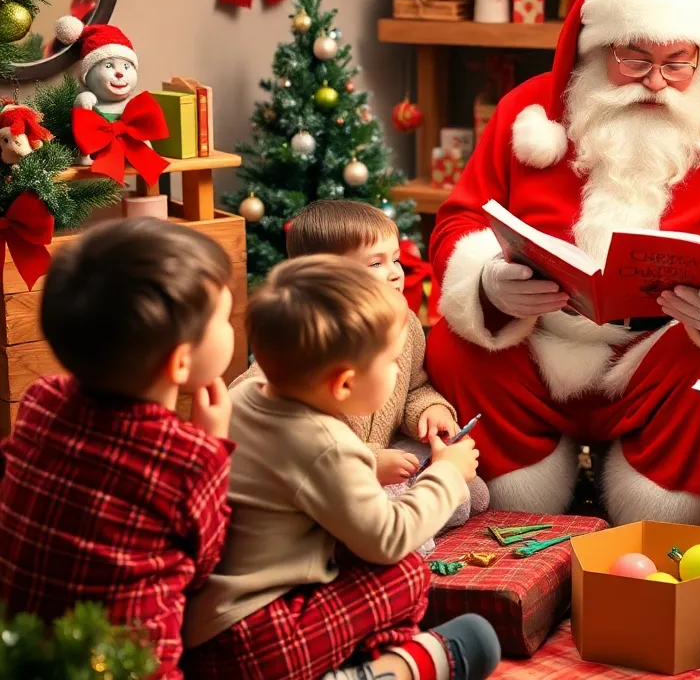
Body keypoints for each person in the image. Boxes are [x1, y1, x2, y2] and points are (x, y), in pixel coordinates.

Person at [425, 0, 700, 525]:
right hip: (536, 339)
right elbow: (458, 222)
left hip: (666, 351)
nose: (655, 81)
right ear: (599, 51)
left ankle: (660, 506)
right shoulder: (528, 111)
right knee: (453, 345)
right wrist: (489, 285)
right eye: (634, 59)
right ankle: (519, 512)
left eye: (678, 63)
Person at [184, 257, 499, 680]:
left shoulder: (244, 400)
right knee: (403, 574)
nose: (397, 371)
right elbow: (389, 538)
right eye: (390, 362)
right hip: (262, 642)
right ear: (345, 383)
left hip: (206, 630)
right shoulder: (328, 445)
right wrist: (445, 475)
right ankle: (368, 670)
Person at [0, 219, 237, 680]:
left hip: (20, 644)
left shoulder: (41, 398)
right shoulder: (192, 457)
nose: (231, 327)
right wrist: (212, 440)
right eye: (224, 320)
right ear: (181, 361)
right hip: (130, 666)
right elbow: (208, 562)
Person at [230, 200, 489, 536]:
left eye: (395, 259)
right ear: (325, 278)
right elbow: (264, 417)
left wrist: (431, 410)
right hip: (329, 468)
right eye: (376, 263)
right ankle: (416, 513)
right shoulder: (308, 342)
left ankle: (428, 494)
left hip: (385, 449)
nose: (396, 272)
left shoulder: (406, 324)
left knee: (474, 487)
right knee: (444, 496)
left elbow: (415, 386)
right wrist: (366, 463)